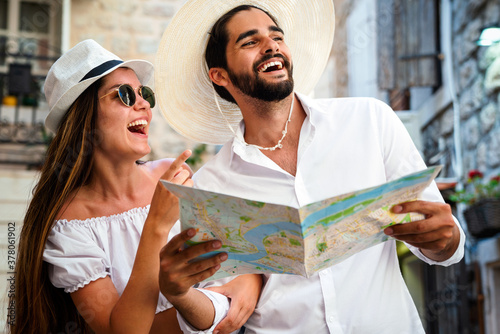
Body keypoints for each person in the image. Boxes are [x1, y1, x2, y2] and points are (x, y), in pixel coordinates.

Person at [154, 1, 466, 333]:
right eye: (249, 41)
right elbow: (221, 311)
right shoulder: (210, 186)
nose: (271, 45)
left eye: (276, 36)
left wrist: (444, 238)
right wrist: (180, 293)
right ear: (221, 75)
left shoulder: (370, 120)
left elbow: (442, 241)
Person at [10, 39, 261, 334]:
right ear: (84, 117)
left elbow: (232, 256)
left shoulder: (173, 175)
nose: (143, 104)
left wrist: (250, 280)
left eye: (145, 94)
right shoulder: (69, 225)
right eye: (125, 95)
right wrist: (156, 225)